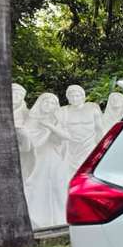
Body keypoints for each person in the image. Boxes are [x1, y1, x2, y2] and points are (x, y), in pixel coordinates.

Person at [21, 93, 73, 228]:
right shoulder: (31, 120)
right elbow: (34, 143)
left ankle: (59, 219)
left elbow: (67, 136)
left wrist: (49, 126)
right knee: (37, 187)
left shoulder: (55, 120)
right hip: (38, 159)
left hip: (54, 158)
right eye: (46, 102)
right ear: (40, 103)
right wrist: (48, 131)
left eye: (52, 103)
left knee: (58, 187)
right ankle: (38, 220)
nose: (48, 105)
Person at [59, 85, 104, 172]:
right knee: (71, 174)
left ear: (82, 97)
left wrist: (101, 147)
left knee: (88, 171)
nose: (74, 99)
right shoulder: (63, 111)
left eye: (77, 96)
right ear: (68, 97)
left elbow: (99, 130)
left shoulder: (92, 110)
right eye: (72, 96)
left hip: (89, 145)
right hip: (71, 147)